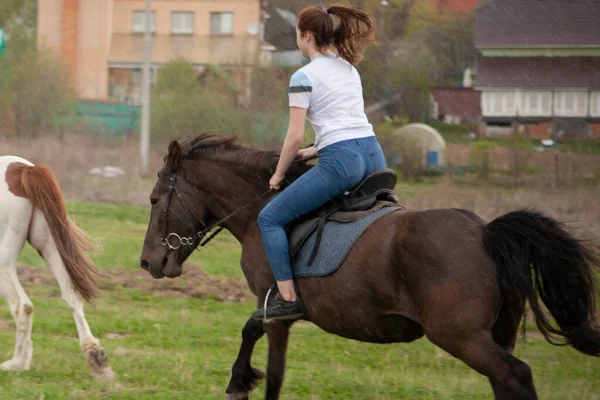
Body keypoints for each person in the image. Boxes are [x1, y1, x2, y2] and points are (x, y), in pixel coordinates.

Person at [252, 5, 387, 321]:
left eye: (297, 34)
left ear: (307, 36)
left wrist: (279, 172)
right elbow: (347, 123)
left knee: (270, 218)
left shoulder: (302, 77)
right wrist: (315, 150)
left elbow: (294, 137)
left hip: (342, 163)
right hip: (374, 155)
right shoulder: (349, 68)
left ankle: (287, 299)